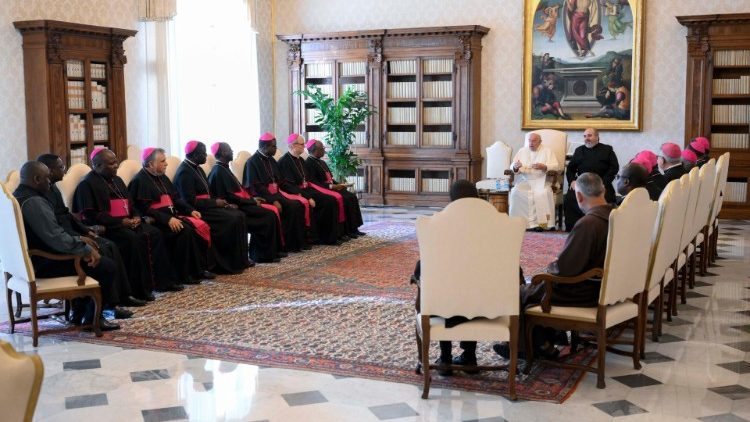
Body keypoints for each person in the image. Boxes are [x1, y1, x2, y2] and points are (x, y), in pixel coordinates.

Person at [495, 173, 613, 360]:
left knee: (522, 292)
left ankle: (526, 347)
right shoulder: (614, 217)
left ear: (579, 196)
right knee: (535, 289)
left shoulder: (588, 224)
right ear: (603, 190)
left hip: (582, 292)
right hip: (601, 287)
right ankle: (545, 342)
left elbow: (566, 269)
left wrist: (548, 271)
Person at [13, 161, 120, 331]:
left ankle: (78, 315)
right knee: (106, 267)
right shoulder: (34, 202)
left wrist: (79, 240)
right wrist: (85, 249)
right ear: (37, 178)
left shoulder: (16, 196)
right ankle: (92, 319)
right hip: (43, 263)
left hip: (27, 262)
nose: (50, 182)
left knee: (98, 258)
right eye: (47, 178)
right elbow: (55, 238)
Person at [37, 153, 143, 316]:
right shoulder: (40, 196)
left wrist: (86, 230)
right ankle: (108, 305)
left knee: (110, 246)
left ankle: (122, 296)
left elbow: (66, 214)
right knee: (107, 248)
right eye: (60, 167)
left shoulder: (53, 188)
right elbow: (54, 229)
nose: (64, 170)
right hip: (63, 241)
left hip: (73, 231)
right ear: (49, 171)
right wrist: (79, 237)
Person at [73, 148, 187, 294]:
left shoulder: (117, 180)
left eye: (116, 162)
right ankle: (136, 290)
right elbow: (91, 216)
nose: (116, 166)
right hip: (110, 227)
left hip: (128, 223)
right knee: (133, 239)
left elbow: (131, 204)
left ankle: (162, 282)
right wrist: (121, 223)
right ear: (98, 166)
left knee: (155, 233)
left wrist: (136, 217)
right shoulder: (86, 185)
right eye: (111, 163)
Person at [412, 180, 482, 376]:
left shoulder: (439, 224)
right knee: (474, 287)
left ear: (452, 201)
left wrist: (418, 274)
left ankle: (445, 358)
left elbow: (426, 263)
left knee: (442, 288)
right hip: (485, 303)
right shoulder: (497, 226)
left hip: (448, 304)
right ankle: (470, 356)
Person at [129, 147, 214, 284]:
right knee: (185, 232)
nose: (166, 164)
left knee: (193, 229)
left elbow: (176, 199)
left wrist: (189, 210)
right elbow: (145, 209)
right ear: (151, 164)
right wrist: (167, 219)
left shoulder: (162, 177)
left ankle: (196, 271)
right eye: (162, 161)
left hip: (172, 217)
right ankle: (183, 275)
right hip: (157, 221)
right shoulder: (140, 181)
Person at [174, 141, 251, 273]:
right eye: (203, 153)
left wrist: (223, 203)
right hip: (197, 211)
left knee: (239, 214)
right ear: (194, 154)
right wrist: (215, 203)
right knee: (231, 220)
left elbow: (209, 194)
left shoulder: (197, 168)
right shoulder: (184, 172)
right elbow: (190, 202)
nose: (206, 155)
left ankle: (239, 260)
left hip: (207, 207)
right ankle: (224, 265)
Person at [207, 142, 284, 263]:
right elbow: (229, 197)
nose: (232, 151)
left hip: (243, 203)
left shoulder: (224, 168)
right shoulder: (218, 171)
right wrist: (251, 202)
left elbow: (239, 190)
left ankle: (268, 253)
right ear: (222, 153)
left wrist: (252, 200)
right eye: (229, 150)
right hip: (236, 206)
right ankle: (261, 255)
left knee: (269, 213)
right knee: (268, 215)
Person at [244, 132, 309, 252]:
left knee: (296, 205)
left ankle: (294, 243)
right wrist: (273, 200)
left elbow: (280, 181)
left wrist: (293, 193)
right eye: (273, 146)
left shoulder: (271, 160)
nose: (276, 149)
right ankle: (286, 246)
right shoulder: (252, 162)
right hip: (262, 197)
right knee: (291, 207)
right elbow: (256, 187)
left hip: (277, 193)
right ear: (264, 147)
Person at [278, 134, 342, 245]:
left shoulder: (301, 160)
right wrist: (307, 196)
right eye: (302, 144)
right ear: (293, 145)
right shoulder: (284, 161)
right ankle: (321, 238)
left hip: (306, 189)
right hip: (295, 192)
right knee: (327, 201)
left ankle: (329, 236)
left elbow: (307, 180)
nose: (304, 146)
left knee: (330, 199)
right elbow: (287, 185)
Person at [304, 139, 365, 238]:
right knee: (340, 199)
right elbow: (314, 182)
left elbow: (330, 178)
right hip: (321, 190)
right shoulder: (308, 163)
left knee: (351, 197)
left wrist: (340, 184)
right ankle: (341, 232)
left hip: (330, 187)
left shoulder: (322, 162)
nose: (324, 150)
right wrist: (331, 186)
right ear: (315, 150)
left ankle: (353, 229)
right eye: (322, 148)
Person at [564, 128, 619, 231]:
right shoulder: (579, 150)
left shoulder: (607, 150)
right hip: (582, 184)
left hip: (601, 183)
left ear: (597, 137)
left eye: (589, 135)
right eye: (584, 136)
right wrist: (572, 181)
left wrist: (603, 183)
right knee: (570, 198)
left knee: (606, 198)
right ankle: (574, 228)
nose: (586, 138)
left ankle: (602, 228)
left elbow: (614, 168)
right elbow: (570, 168)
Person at [508, 132, 559, 230]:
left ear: (540, 142)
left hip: (542, 180)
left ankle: (543, 224)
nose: (531, 143)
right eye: (529, 140)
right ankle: (521, 223)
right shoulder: (522, 151)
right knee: (515, 192)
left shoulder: (547, 151)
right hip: (526, 180)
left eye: (534, 141)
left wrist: (544, 166)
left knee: (543, 193)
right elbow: (513, 166)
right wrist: (515, 167)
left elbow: (556, 166)